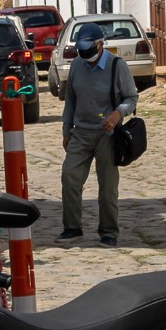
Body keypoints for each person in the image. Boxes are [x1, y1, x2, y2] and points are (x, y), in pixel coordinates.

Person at [58, 22, 138, 247]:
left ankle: (109, 232)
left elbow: (131, 98)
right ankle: (72, 228)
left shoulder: (116, 66)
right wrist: (66, 130)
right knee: (70, 177)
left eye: (89, 49)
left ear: (100, 45)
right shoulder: (76, 65)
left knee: (108, 187)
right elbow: (70, 101)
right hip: (81, 133)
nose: (85, 54)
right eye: (81, 50)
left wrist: (117, 114)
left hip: (108, 135)